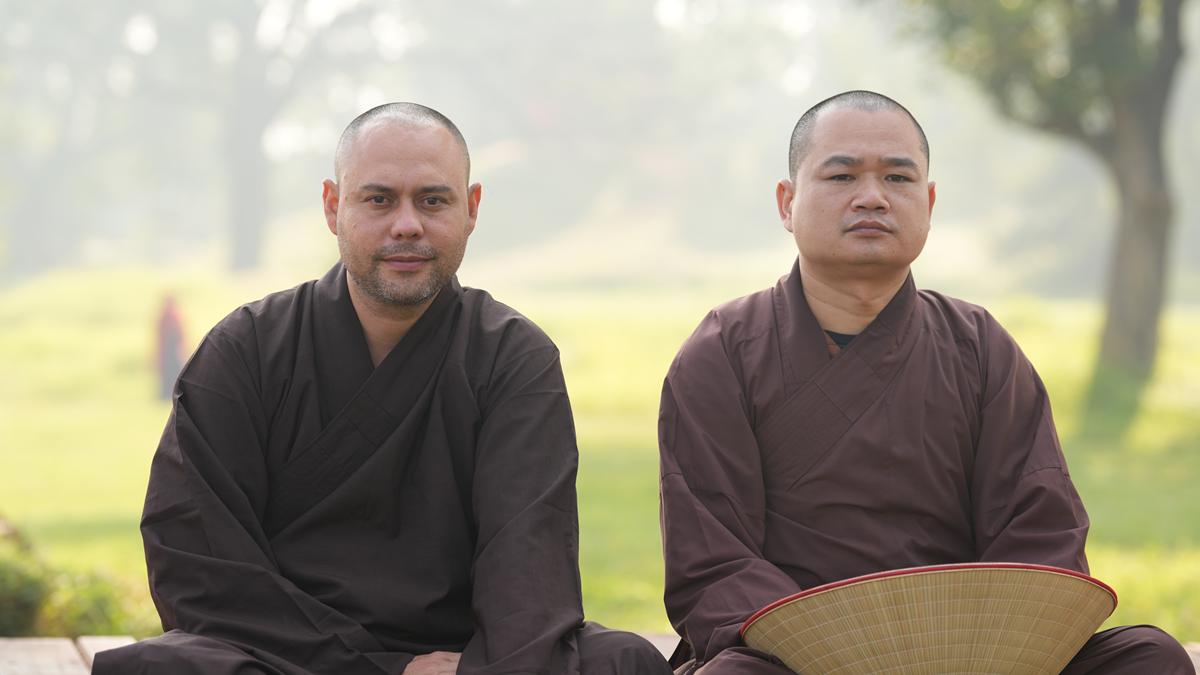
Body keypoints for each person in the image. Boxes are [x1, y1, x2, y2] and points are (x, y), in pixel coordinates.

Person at [95, 103, 671, 675]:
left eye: (433, 200)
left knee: (625, 662)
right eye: (378, 199)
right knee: (157, 668)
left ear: (471, 208)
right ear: (333, 206)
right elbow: (197, 560)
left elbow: (528, 564)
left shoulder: (512, 358)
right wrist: (381, 670)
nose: (407, 225)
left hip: (463, 658)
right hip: (290, 657)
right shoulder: (247, 350)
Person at [657, 90, 1194, 674]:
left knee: (1150, 658)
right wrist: (840, 649)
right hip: (796, 659)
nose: (872, 197)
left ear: (929, 202)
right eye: (841, 176)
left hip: (977, 654)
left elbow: (1039, 536)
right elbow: (715, 560)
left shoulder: (979, 347)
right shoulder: (724, 353)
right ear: (787, 203)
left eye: (897, 177)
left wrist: (974, 648)